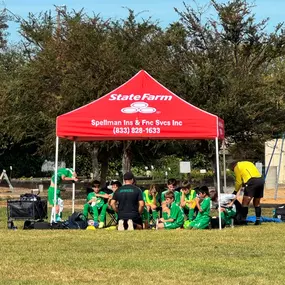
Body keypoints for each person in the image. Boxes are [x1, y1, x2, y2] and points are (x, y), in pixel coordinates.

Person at [230, 161, 264, 225]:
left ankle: (243, 220)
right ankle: (258, 221)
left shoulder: (237, 167)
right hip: (260, 180)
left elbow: (238, 181)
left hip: (251, 181)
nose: (233, 171)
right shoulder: (248, 163)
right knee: (257, 202)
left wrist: (235, 192)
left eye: (232, 170)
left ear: (233, 166)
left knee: (245, 202)